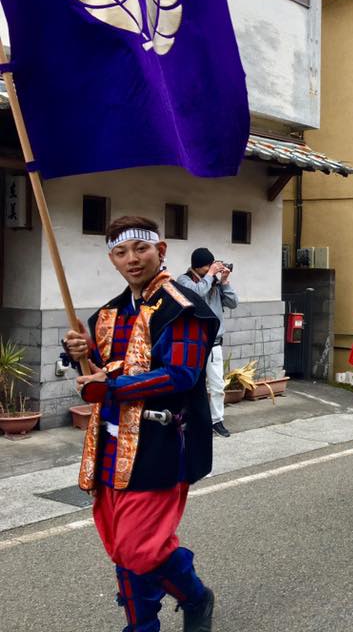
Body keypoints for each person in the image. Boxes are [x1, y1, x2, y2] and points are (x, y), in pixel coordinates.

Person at [62, 216, 218, 632]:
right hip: (109, 444)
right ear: (112, 259)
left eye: (141, 249)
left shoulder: (183, 307)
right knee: (121, 545)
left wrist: (109, 385)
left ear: (160, 250)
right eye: (121, 252)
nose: (132, 259)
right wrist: (78, 350)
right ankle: (185, 600)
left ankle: (182, 605)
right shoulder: (110, 312)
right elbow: (92, 362)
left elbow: (181, 374)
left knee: (137, 549)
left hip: (161, 441)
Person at [177, 248, 239, 438]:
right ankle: (188, 418)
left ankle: (216, 420)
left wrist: (225, 282)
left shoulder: (215, 283)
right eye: (208, 265)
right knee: (191, 383)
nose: (212, 268)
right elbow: (196, 294)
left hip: (214, 343)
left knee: (217, 385)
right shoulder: (184, 280)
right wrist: (211, 275)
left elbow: (233, 303)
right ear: (198, 266)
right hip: (193, 343)